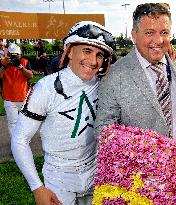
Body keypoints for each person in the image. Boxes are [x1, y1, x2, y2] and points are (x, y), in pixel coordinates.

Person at [94, 3, 176, 146]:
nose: (158, 40)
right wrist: (141, 150)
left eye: (164, 32)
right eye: (149, 32)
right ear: (134, 35)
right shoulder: (115, 74)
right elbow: (103, 128)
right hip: (141, 166)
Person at [11, 21, 115, 205]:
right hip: (59, 178)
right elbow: (20, 139)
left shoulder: (105, 82)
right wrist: (37, 187)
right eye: (87, 51)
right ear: (69, 51)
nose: (93, 61)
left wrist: (167, 51)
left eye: (99, 55)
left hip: (97, 173)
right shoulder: (46, 88)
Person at [0, 43, 33, 137]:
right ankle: (15, 145)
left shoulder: (25, 62)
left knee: (25, 122)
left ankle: (23, 141)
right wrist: (4, 66)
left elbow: (30, 76)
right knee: (12, 123)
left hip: (23, 97)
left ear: (20, 54)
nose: (15, 57)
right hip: (9, 98)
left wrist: (21, 67)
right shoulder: (3, 62)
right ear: (8, 54)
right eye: (12, 55)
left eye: (16, 55)